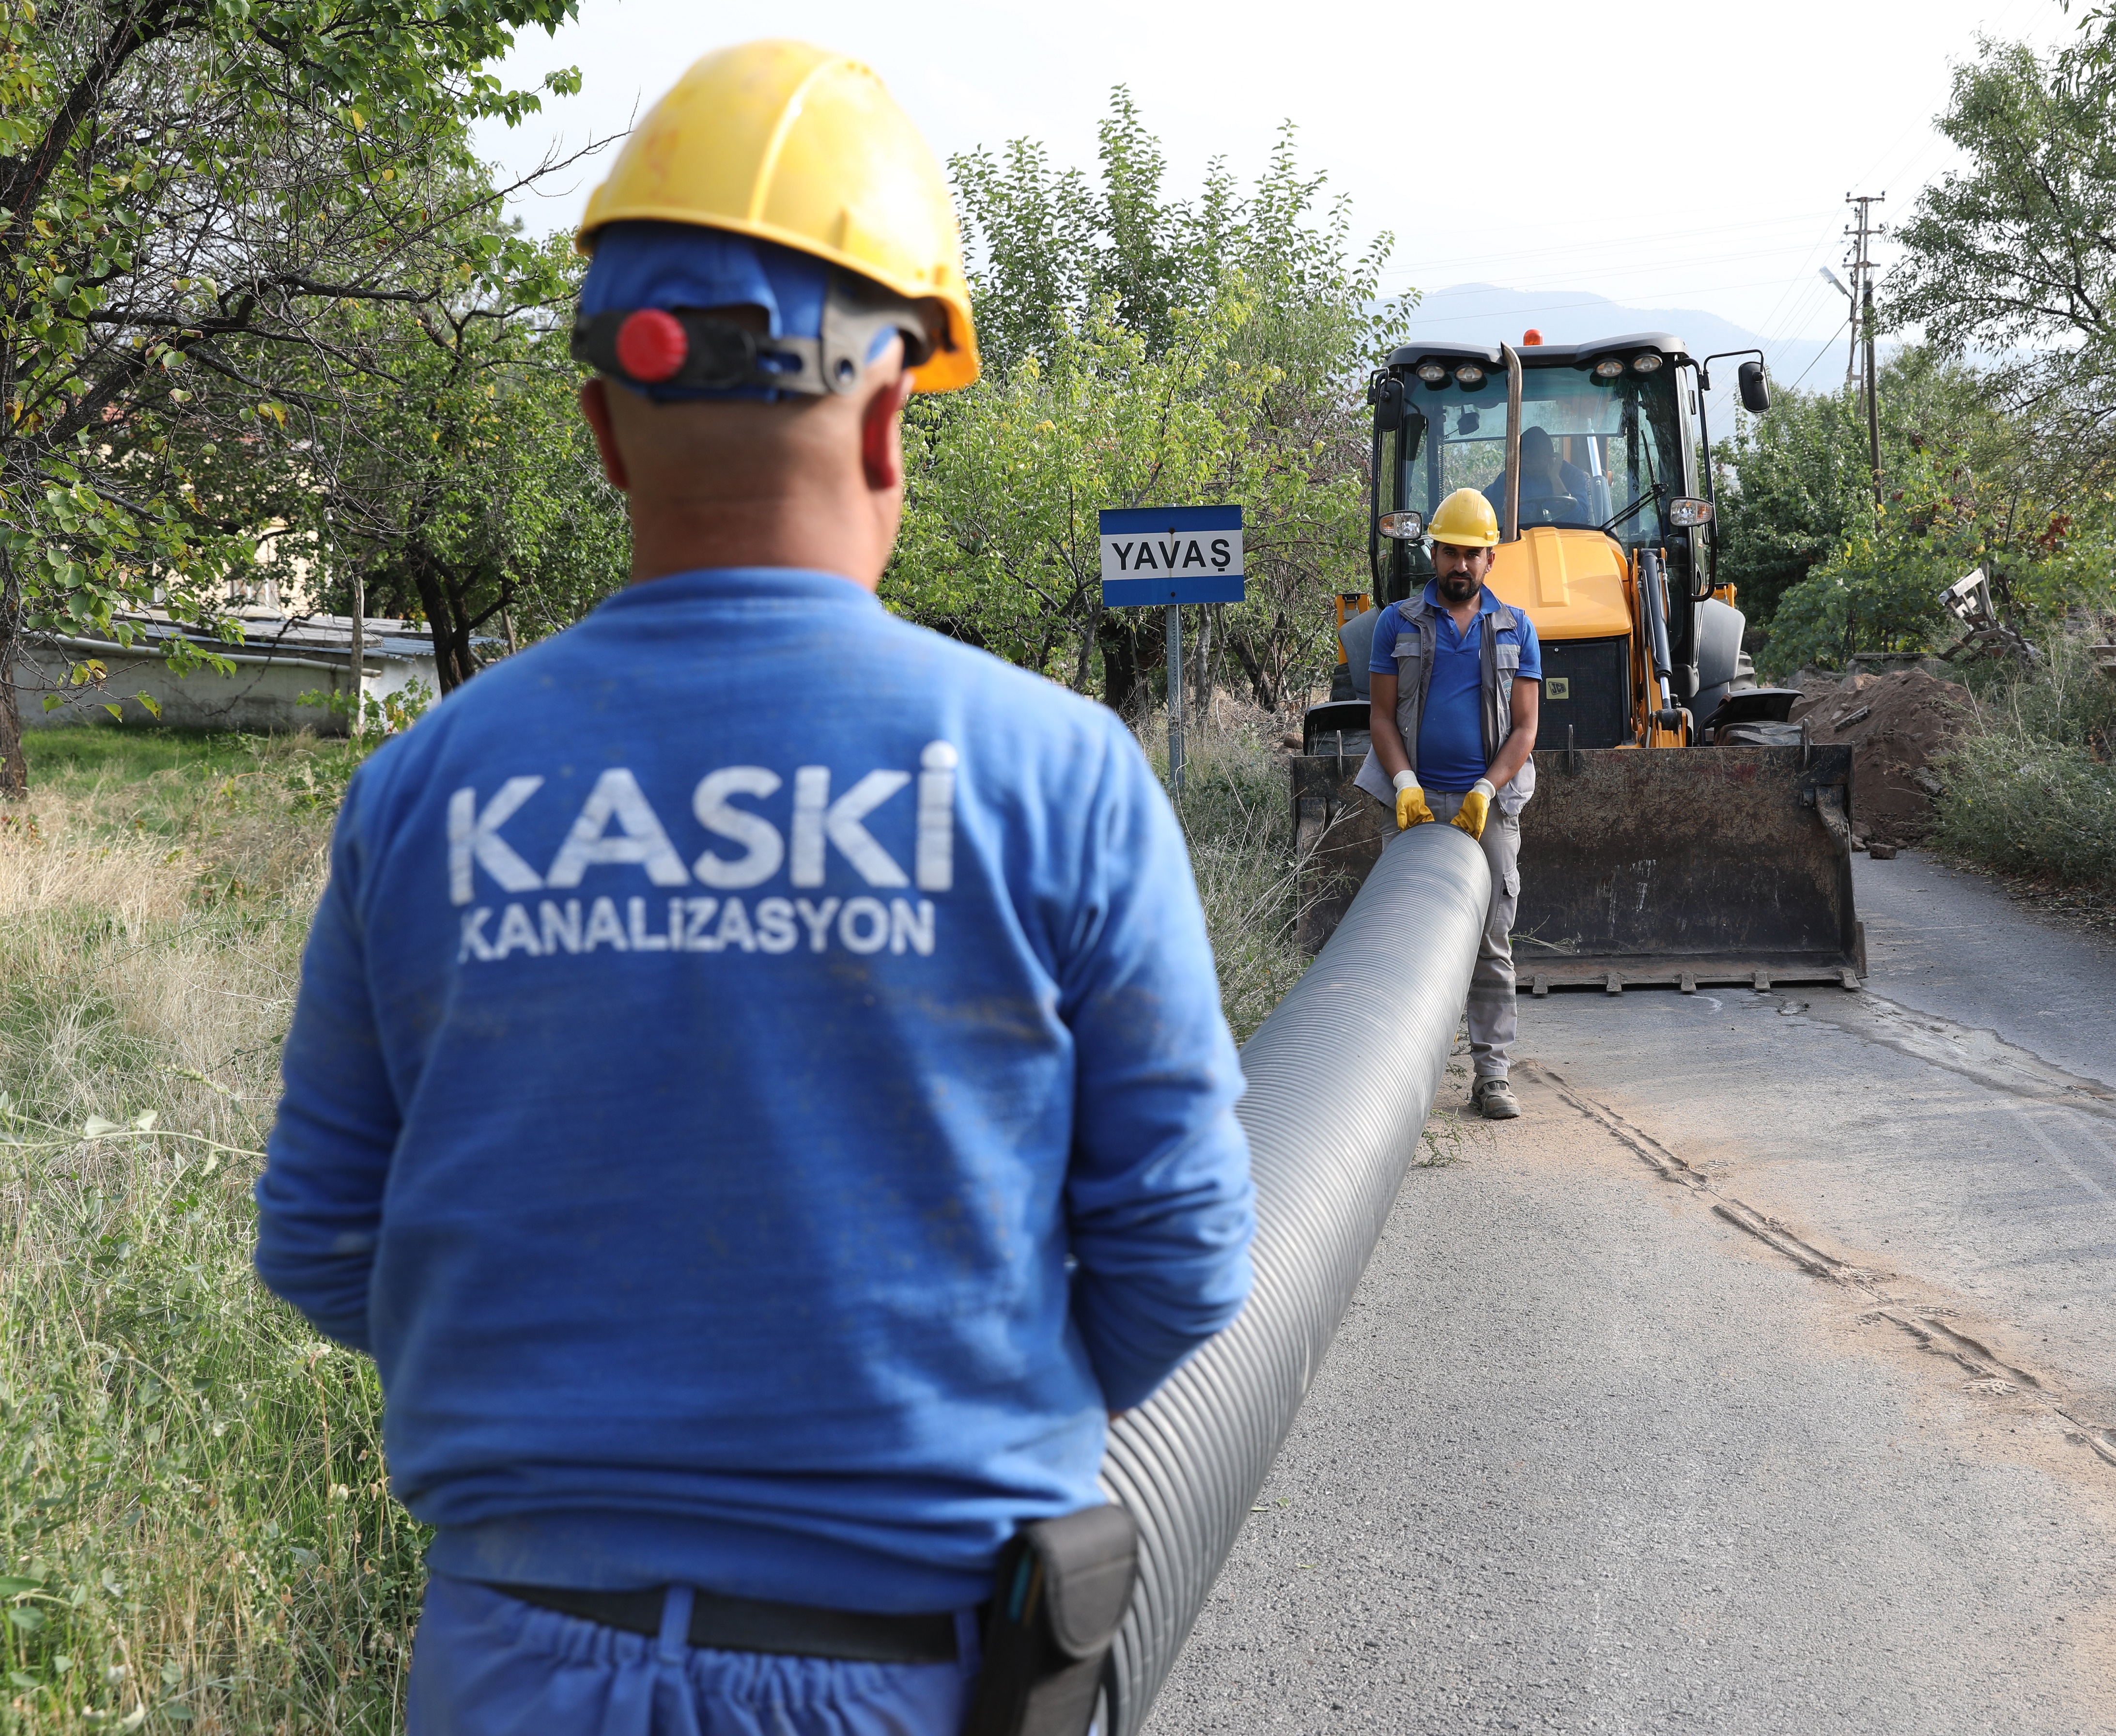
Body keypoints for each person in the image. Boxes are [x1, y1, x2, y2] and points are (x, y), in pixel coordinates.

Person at [253, 41, 1254, 1736]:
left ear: (600, 431)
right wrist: (933, 1417)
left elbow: (323, 1240)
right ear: (885, 418)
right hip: (898, 1672)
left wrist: (583, 1417)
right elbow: (1180, 1245)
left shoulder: (422, 789)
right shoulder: (1056, 771)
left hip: (508, 1663)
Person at [1353, 486, 1543, 1120]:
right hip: (1415, 804)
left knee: (1490, 939)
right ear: (1433, 553)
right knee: (1401, 941)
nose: (1460, 565)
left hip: (1487, 806)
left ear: (1490, 559)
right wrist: (1404, 782)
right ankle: (1395, 1083)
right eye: (1450, 552)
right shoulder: (1396, 624)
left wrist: (1487, 789)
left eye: (1472, 554)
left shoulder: (1519, 629)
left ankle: (1491, 1075)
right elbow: (1380, 717)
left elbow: (1525, 729)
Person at [1486, 425, 1606, 527]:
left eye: (1529, 462)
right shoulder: (1511, 478)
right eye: (1521, 461)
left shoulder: (1574, 476)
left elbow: (1578, 519)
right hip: (1520, 542)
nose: (1523, 466)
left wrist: (1555, 477)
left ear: (1549, 458)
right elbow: (1484, 504)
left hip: (1566, 541)